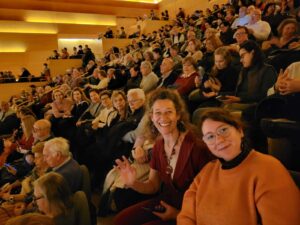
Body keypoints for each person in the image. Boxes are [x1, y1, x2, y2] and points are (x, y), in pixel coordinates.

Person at [177, 108, 300, 225]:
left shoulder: (269, 168)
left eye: (223, 130)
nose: (219, 140)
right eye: (210, 137)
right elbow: (186, 217)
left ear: (240, 131)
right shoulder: (207, 171)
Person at [113, 88, 212, 225]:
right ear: (152, 117)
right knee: (120, 220)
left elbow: (211, 200)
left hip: (191, 214)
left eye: (169, 112)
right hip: (166, 203)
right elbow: (153, 186)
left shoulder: (197, 147)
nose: (163, 118)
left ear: (178, 115)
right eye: (158, 113)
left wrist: (178, 215)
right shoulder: (159, 144)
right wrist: (132, 183)